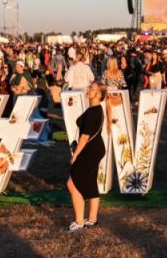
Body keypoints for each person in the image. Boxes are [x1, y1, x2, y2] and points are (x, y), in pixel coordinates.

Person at [66, 82, 107, 234]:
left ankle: (79, 222)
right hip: (95, 149)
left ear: (99, 95)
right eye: (89, 87)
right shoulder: (96, 109)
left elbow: (84, 137)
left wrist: (75, 154)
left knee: (73, 183)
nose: (88, 90)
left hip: (89, 150)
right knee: (90, 182)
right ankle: (92, 219)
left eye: (92, 89)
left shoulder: (93, 112)